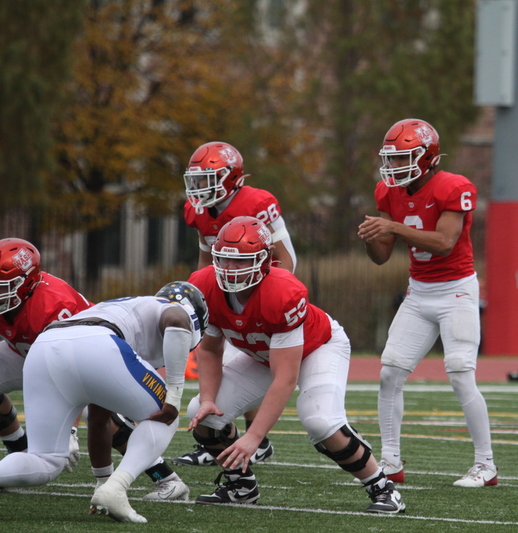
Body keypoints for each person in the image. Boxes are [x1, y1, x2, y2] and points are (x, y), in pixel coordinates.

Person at [186, 216, 405, 513]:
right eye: (224, 261)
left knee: (321, 422)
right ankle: (241, 485)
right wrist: (209, 399)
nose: (230, 270)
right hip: (262, 355)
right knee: (203, 413)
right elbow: (210, 350)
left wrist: (254, 436)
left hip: (318, 348)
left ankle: (382, 487)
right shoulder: (204, 284)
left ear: (265, 260)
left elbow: (285, 378)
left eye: (240, 262)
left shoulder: (282, 292)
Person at [357, 118, 497, 487]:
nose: (394, 167)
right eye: (391, 158)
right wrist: (372, 236)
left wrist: (393, 228)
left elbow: (444, 242)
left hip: (456, 292)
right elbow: (382, 256)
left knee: (460, 376)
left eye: (403, 158)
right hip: (419, 293)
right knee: (390, 374)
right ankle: (390, 462)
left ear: (428, 158)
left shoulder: (454, 186)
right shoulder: (388, 192)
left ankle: (486, 465)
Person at [0, 281, 208, 523]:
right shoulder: (172, 309)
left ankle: (111, 489)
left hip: (44, 348)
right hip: (97, 343)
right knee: (167, 415)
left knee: (45, 460)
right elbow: (177, 319)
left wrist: (102, 483)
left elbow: (100, 420)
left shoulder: (130, 312)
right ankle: (119, 487)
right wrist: (174, 393)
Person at [174, 140, 296, 467]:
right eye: (195, 180)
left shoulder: (256, 202)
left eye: (206, 179)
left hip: (255, 295)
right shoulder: (199, 211)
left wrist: (254, 294)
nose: (198, 188)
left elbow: (287, 260)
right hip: (223, 296)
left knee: (248, 367)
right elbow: (205, 263)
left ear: (231, 178)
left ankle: (253, 439)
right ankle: (221, 437)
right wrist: (200, 296)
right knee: (226, 367)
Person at [0, 238, 91, 468]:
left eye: (2, 285)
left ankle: (163, 476)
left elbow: (77, 369)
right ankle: (20, 449)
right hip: (26, 354)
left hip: (87, 362)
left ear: (26, 282)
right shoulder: (11, 299)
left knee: (109, 418)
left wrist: (71, 429)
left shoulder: (54, 305)